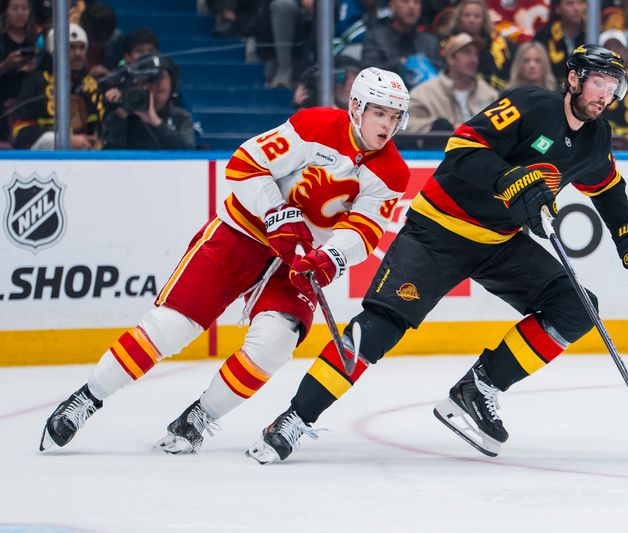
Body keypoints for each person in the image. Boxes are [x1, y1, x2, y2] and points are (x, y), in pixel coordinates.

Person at [246, 44, 628, 464]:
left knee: (575, 307)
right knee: (379, 328)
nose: (604, 95)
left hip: (499, 243)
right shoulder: (531, 104)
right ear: (573, 78)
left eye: (612, 87)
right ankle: (294, 417)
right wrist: (509, 179)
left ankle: (478, 389)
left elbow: (608, 188)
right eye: (598, 83)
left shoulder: (595, 138)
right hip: (437, 232)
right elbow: (462, 148)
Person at [38, 67, 412, 455]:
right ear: (356, 107)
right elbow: (244, 165)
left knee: (274, 344)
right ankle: (86, 398)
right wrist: (277, 212)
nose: (388, 124)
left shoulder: (392, 172)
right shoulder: (313, 124)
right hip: (241, 234)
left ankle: (198, 417)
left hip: (294, 262)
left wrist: (329, 258)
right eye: (380, 113)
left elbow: (365, 231)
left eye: (395, 116)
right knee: (171, 326)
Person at [12, 22, 103, 150]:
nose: (78, 53)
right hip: (43, 155)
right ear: (54, 52)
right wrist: (65, 140)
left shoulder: (90, 84)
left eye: (82, 48)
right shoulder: (35, 81)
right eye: (71, 48)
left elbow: (98, 127)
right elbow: (21, 131)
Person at [406, 32, 498, 132]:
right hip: (442, 147)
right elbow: (405, 124)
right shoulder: (424, 93)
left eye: (476, 54)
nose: (474, 60)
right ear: (450, 59)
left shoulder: (489, 94)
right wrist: (438, 126)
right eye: (467, 53)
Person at [101, 55, 195, 150]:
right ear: (138, 84)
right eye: (149, 80)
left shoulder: (181, 117)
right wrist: (119, 120)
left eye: (162, 77)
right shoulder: (126, 115)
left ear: (172, 82)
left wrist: (156, 122)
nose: (158, 85)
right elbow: (110, 155)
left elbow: (188, 151)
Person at [361, 0, 442, 89]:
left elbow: (440, 76)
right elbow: (367, 73)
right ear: (391, 6)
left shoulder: (430, 42)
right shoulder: (375, 37)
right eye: (405, 1)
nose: (412, 6)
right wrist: (399, 64)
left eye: (416, 2)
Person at [445, 0, 516, 91]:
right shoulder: (446, 42)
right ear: (459, 18)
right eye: (467, 15)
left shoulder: (498, 43)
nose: (471, 20)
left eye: (477, 16)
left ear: (484, 19)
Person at [0, 0, 37, 144]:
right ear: (5, 11)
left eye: (24, 8)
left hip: (27, 102)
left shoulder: (35, 39)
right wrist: (6, 65)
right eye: (15, 8)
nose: (20, 13)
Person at [534, 0, 587, 85]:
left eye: (580, 2)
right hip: (551, 89)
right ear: (557, 8)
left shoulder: (592, 35)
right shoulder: (544, 36)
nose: (576, 8)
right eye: (570, 3)